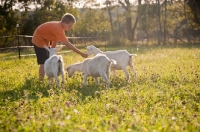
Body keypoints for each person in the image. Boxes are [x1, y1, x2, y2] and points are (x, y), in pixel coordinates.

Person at [32, 13, 88, 81]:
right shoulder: (58, 28)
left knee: (50, 60)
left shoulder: (60, 27)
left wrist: (52, 50)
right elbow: (67, 44)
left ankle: (51, 79)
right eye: (69, 26)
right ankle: (40, 81)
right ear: (64, 23)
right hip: (39, 40)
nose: (70, 28)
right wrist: (81, 53)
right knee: (44, 62)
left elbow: (55, 38)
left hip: (45, 40)